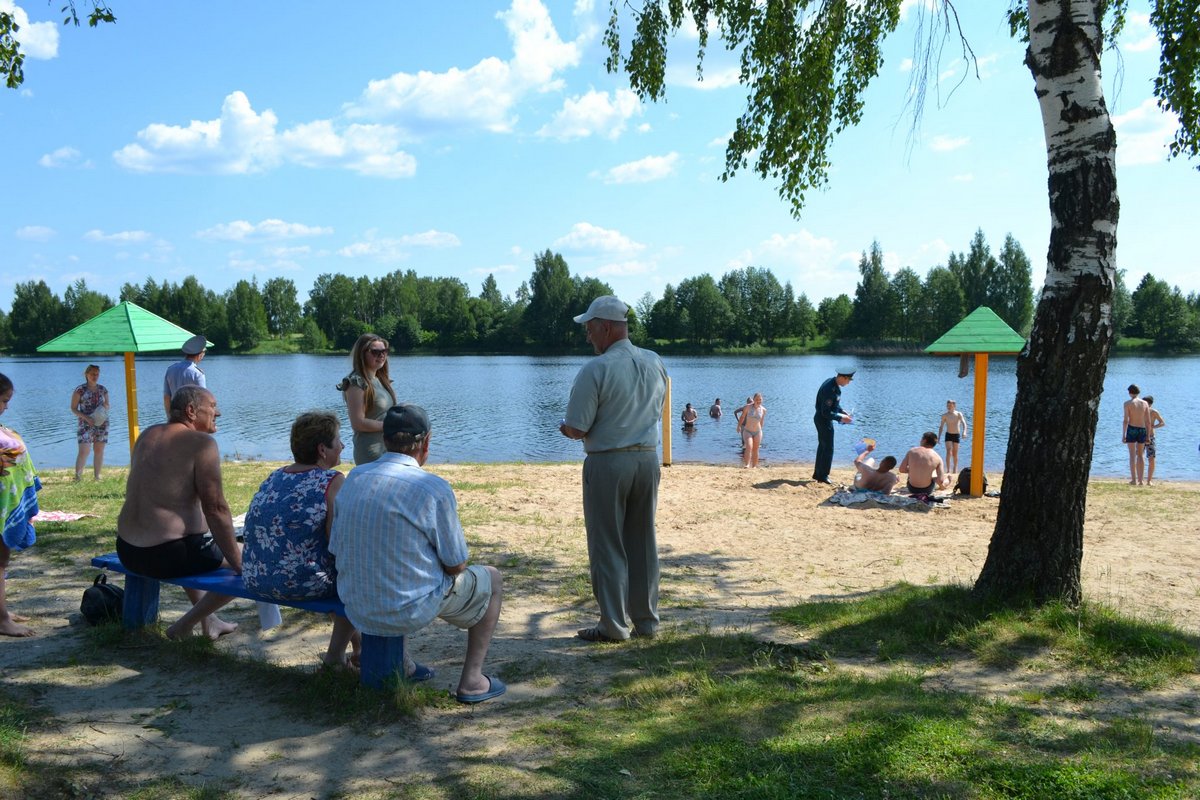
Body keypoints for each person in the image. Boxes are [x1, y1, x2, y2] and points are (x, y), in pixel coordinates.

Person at [330, 403, 505, 703]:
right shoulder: (432, 488)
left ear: (384, 439)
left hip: (356, 604)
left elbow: (336, 547)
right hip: (405, 609)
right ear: (426, 442)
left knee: (394, 565)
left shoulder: (354, 478)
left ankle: (404, 664)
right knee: (493, 578)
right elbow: (456, 564)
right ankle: (473, 681)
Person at [559, 295, 668, 643]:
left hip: (608, 462)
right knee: (643, 541)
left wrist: (565, 428)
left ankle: (613, 625)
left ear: (605, 328)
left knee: (607, 543)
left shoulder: (597, 369)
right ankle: (647, 622)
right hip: (647, 458)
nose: (587, 336)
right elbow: (658, 410)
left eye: (590, 329)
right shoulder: (655, 361)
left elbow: (577, 427)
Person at [116, 386, 242, 639]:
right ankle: (183, 626)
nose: (218, 413)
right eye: (213, 406)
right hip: (166, 555)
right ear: (191, 411)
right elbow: (215, 509)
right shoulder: (202, 444)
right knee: (256, 562)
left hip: (127, 550)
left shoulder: (148, 435)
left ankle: (211, 622)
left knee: (192, 543)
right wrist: (238, 562)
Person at [241, 411, 359, 668]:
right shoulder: (332, 480)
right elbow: (338, 542)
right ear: (322, 450)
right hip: (300, 583)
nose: (342, 445)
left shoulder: (276, 476)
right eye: (338, 440)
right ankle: (335, 658)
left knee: (336, 573)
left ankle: (360, 647)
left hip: (256, 577)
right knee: (357, 579)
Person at [0, 373, 42, 637]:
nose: (6, 407)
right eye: (4, 401)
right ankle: (2, 619)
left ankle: (1, 610)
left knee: (3, 559)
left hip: (5, 504)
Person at [336, 333, 397, 465]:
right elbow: (358, 423)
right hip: (370, 452)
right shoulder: (356, 382)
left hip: (387, 448)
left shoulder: (380, 380)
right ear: (361, 354)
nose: (381, 355)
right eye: (375, 352)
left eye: (384, 351)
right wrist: (392, 426)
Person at [813, 368, 854, 484]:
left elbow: (833, 403)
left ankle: (818, 474)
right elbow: (825, 412)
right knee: (828, 448)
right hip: (823, 420)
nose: (848, 383)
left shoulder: (832, 383)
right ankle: (823, 476)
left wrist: (842, 411)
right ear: (843, 377)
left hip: (822, 419)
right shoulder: (829, 389)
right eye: (848, 380)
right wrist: (841, 418)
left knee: (823, 447)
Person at [71, 364, 110, 482]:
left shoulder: (103, 389)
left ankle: (97, 477)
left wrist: (104, 407)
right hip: (85, 423)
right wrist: (87, 418)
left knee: (99, 450)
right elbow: (73, 408)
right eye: (93, 374)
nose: (95, 376)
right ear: (86, 374)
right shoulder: (80, 390)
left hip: (102, 423)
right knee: (84, 450)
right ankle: (78, 478)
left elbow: (108, 405)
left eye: (97, 374)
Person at [162, 334, 208, 416]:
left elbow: (166, 397)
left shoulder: (170, 370)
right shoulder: (197, 374)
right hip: (191, 417)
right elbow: (203, 400)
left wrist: (170, 418)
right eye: (204, 352)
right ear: (200, 354)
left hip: (175, 416)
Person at [1123, 384, 1151, 486]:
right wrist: (1148, 436)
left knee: (1132, 455)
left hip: (1132, 429)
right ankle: (1141, 480)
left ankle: (1134, 480)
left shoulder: (1127, 403)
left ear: (1130, 392)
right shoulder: (1145, 403)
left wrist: (1123, 435)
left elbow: (1126, 420)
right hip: (1142, 429)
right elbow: (1148, 421)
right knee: (1140, 455)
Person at [937, 399, 968, 474]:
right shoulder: (945, 415)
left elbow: (964, 423)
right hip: (948, 435)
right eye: (947, 405)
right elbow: (941, 427)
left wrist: (964, 432)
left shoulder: (958, 414)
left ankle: (955, 468)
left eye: (950, 405)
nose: (949, 407)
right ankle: (948, 470)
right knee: (948, 451)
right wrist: (939, 437)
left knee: (955, 453)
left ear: (954, 406)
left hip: (956, 435)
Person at [736, 393, 767, 468]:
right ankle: (747, 464)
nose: (758, 401)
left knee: (756, 449)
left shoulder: (763, 410)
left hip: (757, 432)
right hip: (747, 431)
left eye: (760, 399)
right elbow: (742, 417)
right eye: (756, 399)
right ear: (753, 399)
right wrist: (739, 426)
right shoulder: (747, 407)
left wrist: (760, 430)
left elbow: (762, 421)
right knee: (749, 446)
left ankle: (754, 466)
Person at [1144, 395, 1165, 486]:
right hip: (1140, 436)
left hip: (1151, 437)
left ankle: (1149, 480)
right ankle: (1139, 479)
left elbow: (1162, 423)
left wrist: (1153, 427)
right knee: (1139, 457)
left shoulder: (1154, 412)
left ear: (1150, 404)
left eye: (1145, 403)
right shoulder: (1140, 411)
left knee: (1151, 458)